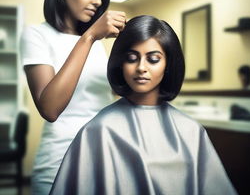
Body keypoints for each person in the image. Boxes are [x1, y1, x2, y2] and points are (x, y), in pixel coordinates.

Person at [49, 15, 237, 195]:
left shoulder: (192, 131)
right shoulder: (99, 130)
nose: (141, 67)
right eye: (132, 58)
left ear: (168, 64)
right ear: (120, 64)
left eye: (153, 59)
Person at [20, 0, 126, 194]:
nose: (98, 1)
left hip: (104, 159)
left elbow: (111, 97)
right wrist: (89, 37)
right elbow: (50, 108)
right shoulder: (37, 35)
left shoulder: (96, 44)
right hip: (59, 162)